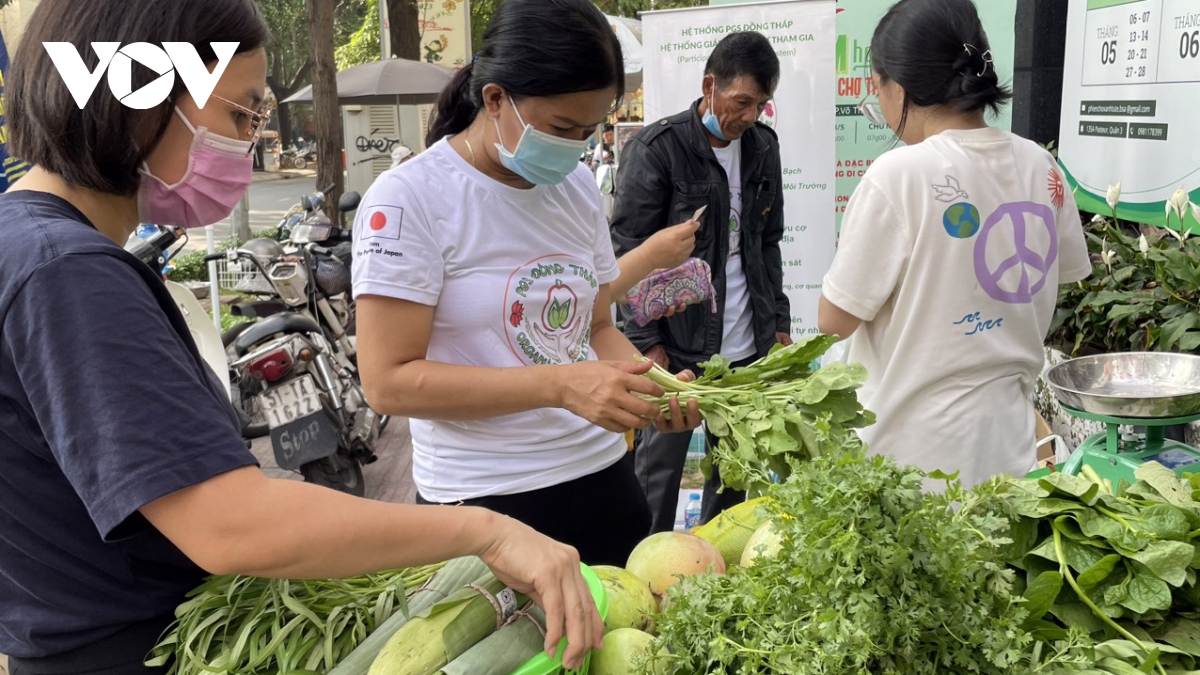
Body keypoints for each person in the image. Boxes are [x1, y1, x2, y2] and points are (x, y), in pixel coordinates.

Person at [0, 1, 603, 672]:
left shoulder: (27, 244)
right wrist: (485, 529)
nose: (247, 143)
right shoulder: (68, 272)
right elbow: (231, 522)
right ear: (140, 97)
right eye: (239, 114)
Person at [353, 0, 701, 569]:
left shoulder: (577, 188)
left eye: (589, 131)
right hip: (485, 503)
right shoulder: (409, 200)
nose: (577, 148)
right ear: (495, 99)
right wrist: (561, 386)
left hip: (603, 477)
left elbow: (595, 328)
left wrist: (653, 388)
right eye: (563, 128)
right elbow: (388, 383)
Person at [817, 0, 1090, 487]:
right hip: (1009, 452)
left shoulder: (896, 176)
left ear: (897, 88)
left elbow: (833, 323)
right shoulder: (1042, 167)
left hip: (910, 466)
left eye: (875, 88)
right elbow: (1051, 285)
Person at [611, 31, 791, 533]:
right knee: (657, 476)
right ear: (709, 85)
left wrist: (776, 321)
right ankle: (641, 570)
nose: (751, 116)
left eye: (761, 104)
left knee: (733, 480)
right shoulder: (658, 150)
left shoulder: (763, 148)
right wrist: (646, 344)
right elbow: (626, 255)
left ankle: (710, 571)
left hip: (746, 345)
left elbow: (766, 242)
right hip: (678, 349)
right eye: (742, 102)